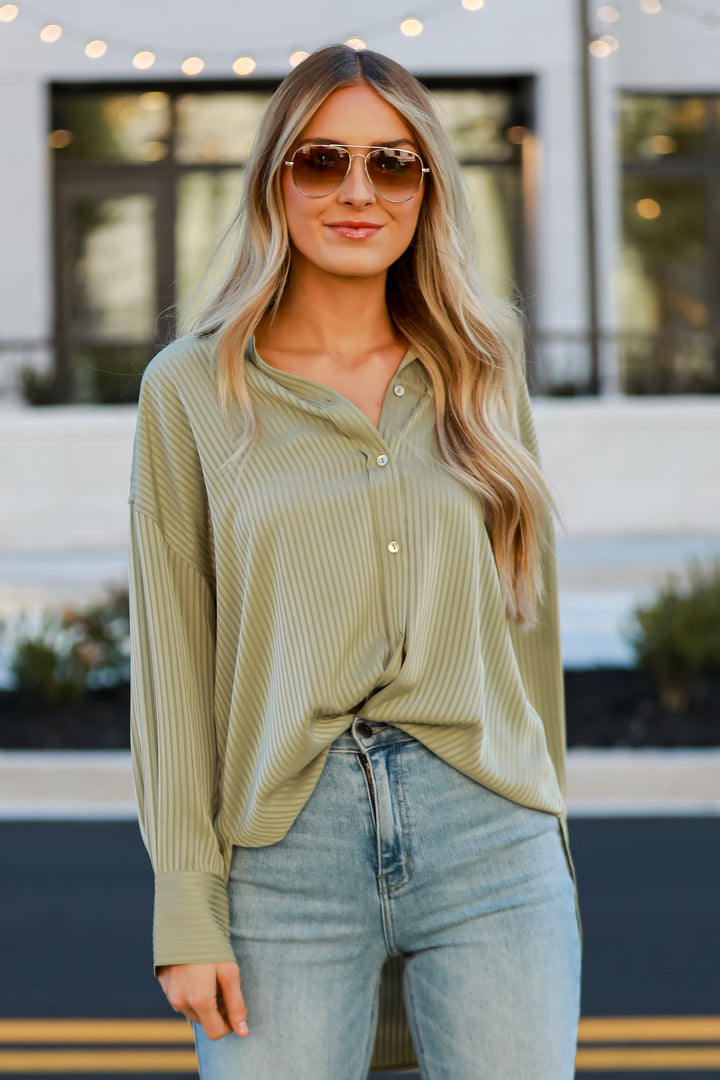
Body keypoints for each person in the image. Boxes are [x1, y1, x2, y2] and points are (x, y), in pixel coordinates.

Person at [127, 42, 582, 1080]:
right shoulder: (190, 392)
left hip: (490, 841)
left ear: (428, 188)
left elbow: (531, 640)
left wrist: (551, 838)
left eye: (392, 163)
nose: (357, 191)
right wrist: (186, 904)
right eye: (320, 162)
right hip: (284, 851)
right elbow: (172, 669)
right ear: (273, 184)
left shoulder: (482, 372)